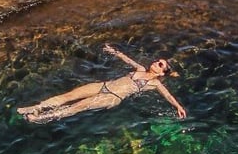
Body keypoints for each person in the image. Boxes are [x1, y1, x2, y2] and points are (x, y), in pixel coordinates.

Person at [17, 43, 187, 123]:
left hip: (112, 97)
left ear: (162, 72)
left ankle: (40, 118)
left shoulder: (155, 84)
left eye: (160, 64)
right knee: (68, 96)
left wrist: (178, 107)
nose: (156, 62)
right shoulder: (140, 68)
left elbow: (167, 95)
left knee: (76, 107)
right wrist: (114, 52)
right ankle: (36, 107)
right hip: (105, 85)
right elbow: (127, 59)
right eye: (158, 61)